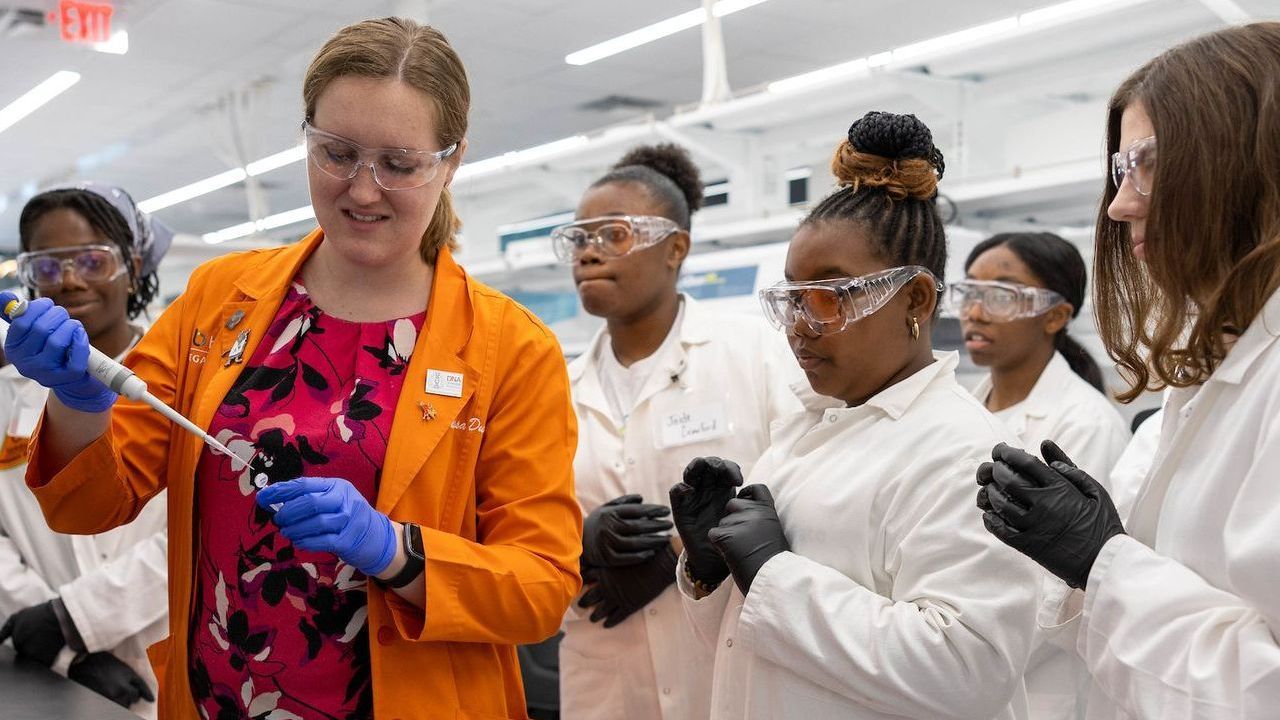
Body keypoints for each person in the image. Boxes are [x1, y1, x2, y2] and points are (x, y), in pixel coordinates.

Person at [3, 17, 581, 720]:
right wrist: (77, 402)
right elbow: (90, 506)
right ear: (306, 137)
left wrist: (396, 552)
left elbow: (542, 588)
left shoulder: (509, 349)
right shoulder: (220, 301)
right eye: (336, 153)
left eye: (399, 165)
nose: (363, 191)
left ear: (450, 161)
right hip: (217, 703)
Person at [672, 111, 1039, 719]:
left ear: (915, 300)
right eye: (790, 300)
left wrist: (772, 573)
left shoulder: (961, 451)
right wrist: (713, 570)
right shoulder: (806, 430)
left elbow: (968, 668)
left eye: (829, 297)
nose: (799, 328)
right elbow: (753, 647)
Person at [976, 21, 1280, 719]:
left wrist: (1099, 559)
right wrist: (1087, 553)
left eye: (1147, 162)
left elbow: (1262, 690)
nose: (1120, 203)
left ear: (1248, 161)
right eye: (1121, 170)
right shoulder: (1212, 373)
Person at [550, 143, 802, 719]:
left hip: (728, 664)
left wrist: (675, 555)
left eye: (613, 235)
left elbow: (804, 478)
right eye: (580, 238)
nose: (589, 253)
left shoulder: (755, 353)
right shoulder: (556, 386)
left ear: (675, 248)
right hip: (605, 673)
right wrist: (580, 544)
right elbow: (514, 518)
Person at [0, 184, 171, 716]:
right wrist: (57, 642)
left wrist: (77, 616)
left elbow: (204, 523)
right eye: (47, 268)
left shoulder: (186, 383)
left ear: (133, 264)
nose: (70, 280)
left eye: (92, 260)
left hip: (167, 650)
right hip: (39, 665)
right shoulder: (5, 395)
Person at [955, 232, 1130, 719]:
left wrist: (962, 652)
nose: (975, 311)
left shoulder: (1084, 423)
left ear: (1056, 315)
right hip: (958, 655)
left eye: (1002, 295)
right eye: (969, 293)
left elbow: (1067, 581)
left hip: (1035, 684)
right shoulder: (961, 407)